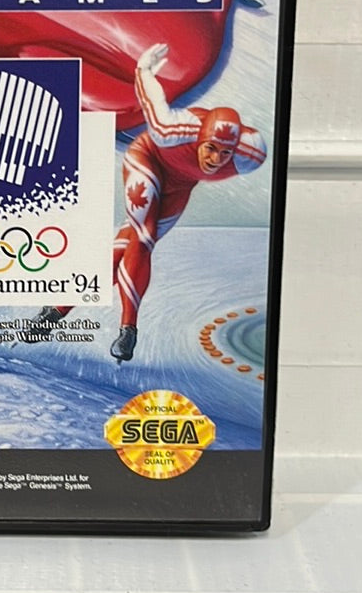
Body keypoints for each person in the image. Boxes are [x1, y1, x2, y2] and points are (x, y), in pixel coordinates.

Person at [26, 42, 265, 362]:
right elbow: (152, 102)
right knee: (143, 235)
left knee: (128, 248)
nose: (215, 160)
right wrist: (144, 69)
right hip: (147, 161)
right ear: (199, 139)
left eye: (225, 154)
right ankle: (129, 329)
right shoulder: (173, 129)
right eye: (210, 149)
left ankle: (55, 312)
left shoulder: (251, 154)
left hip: (179, 188)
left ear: (236, 150)